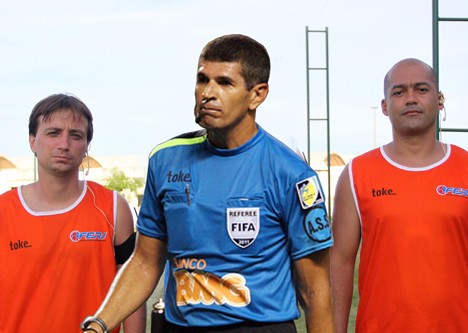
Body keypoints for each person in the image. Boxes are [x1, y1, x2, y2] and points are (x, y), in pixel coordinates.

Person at [81, 34, 335, 333]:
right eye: (202, 80)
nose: (207, 93)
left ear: (257, 94)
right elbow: (145, 262)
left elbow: (315, 291)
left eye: (224, 83)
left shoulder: (292, 174)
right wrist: (99, 324)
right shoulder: (165, 160)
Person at [330, 58, 468, 332]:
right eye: (399, 92)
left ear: (439, 100)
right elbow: (339, 264)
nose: (410, 98)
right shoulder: (356, 174)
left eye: (421, 89)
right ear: (385, 106)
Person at [0, 94, 146, 332]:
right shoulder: (3, 211)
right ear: (32, 141)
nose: (64, 144)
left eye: (75, 135)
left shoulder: (113, 207)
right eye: (53, 132)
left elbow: (133, 290)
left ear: (87, 146)